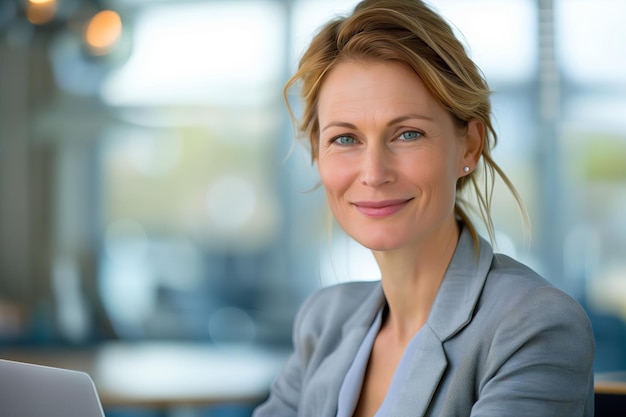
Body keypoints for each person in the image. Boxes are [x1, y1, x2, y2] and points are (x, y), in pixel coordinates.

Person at [253, 0, 595, 416]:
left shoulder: (533, 326)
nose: (374, 173)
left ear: (469, 144)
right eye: (345, 139)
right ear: (317, 152)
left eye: (408, 133)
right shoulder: (325, 321)